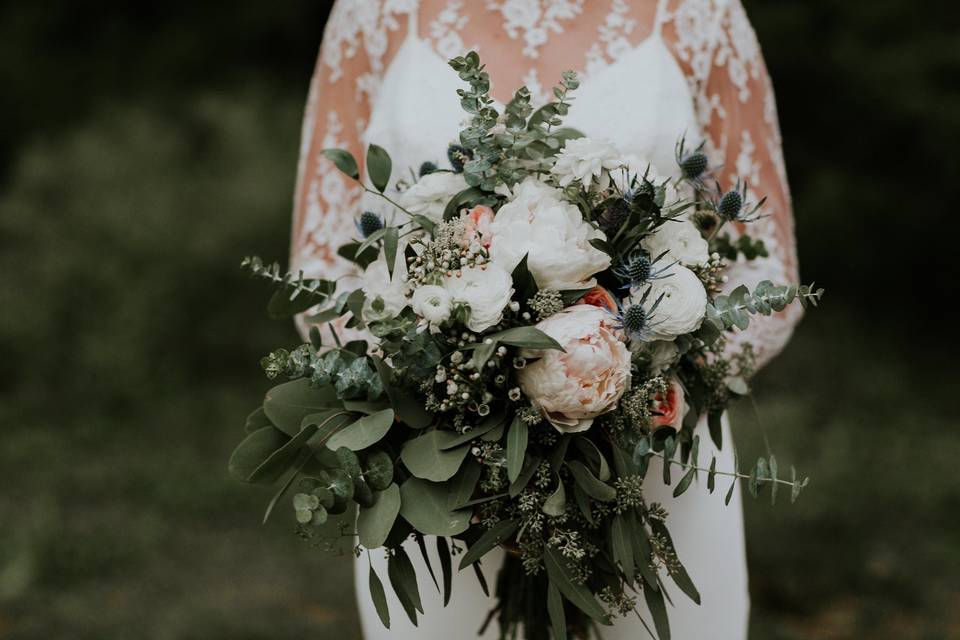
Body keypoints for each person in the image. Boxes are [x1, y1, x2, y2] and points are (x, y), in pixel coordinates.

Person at [290, 1, 802, 637]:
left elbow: (769, 274)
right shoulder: (372, 14)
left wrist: (634, 409)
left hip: (657, 473)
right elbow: (319, 273)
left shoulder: (700, 13)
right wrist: (433, 410)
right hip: (434, 482)